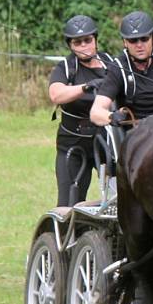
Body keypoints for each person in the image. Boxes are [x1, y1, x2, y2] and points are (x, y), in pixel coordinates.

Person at [49, 15, 111, 206]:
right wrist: (85, 87)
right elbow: (56, 94)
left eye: (88, 40)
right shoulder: (66, 68)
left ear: (95, 40)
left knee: (121, 204)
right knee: (69, 205)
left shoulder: (111, 63)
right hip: (73, 147)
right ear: (71, 45)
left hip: (107, 145)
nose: (84, 45)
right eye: (78, 42)